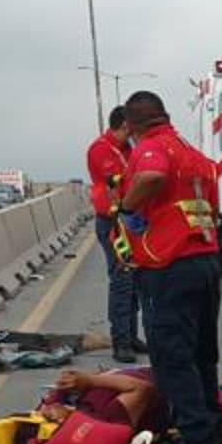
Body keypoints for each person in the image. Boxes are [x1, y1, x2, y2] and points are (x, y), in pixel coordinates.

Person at [116, 91, 222, 444]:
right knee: (202, 351)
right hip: (205, 260)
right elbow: (213, 203)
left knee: (171, 354)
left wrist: (125, 207)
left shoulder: (151, 147)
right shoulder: (192, 154)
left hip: (169, 264)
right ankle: (214, 424)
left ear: (132, 125)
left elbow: (150, 175)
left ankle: (198, 439)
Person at [39, 349, 222, 433]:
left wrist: (64, 393)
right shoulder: (103, 421)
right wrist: (91, 380)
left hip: (156, 373)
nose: (52, 410)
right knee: (211, 395)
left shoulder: (64, 407)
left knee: (204, 381)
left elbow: (50, 401)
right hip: (169, 397)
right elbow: (142, 390)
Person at [86, 105, 142, 363]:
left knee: (132, 283)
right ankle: (121, 342)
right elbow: (119, 180)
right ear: (123, 125)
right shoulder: (101, 149)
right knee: (121, 280)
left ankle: (130, 336)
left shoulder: (128, 149)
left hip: (130, 220)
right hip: (112, 222)